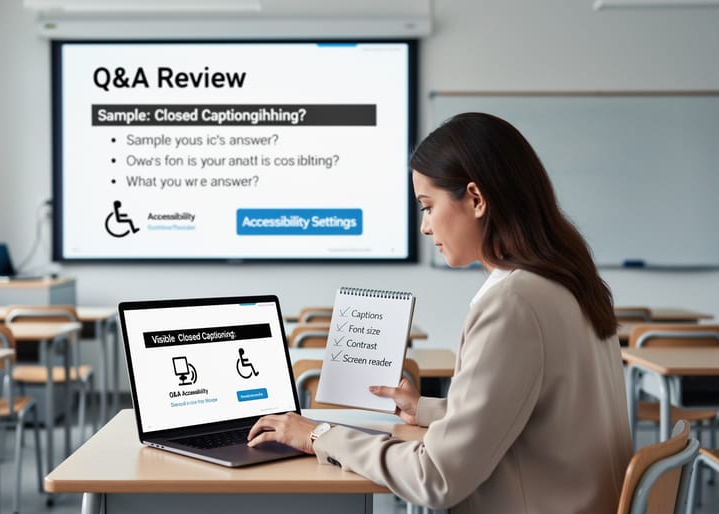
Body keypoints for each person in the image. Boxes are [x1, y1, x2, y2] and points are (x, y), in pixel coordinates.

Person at [248, 112, 633, 513]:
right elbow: (537, 416)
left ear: (476, 199)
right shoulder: (570, 282)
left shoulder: (513, 303)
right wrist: (427, 410)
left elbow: (437, 478)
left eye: (428, 207)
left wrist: (319, 435)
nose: (425, 228)